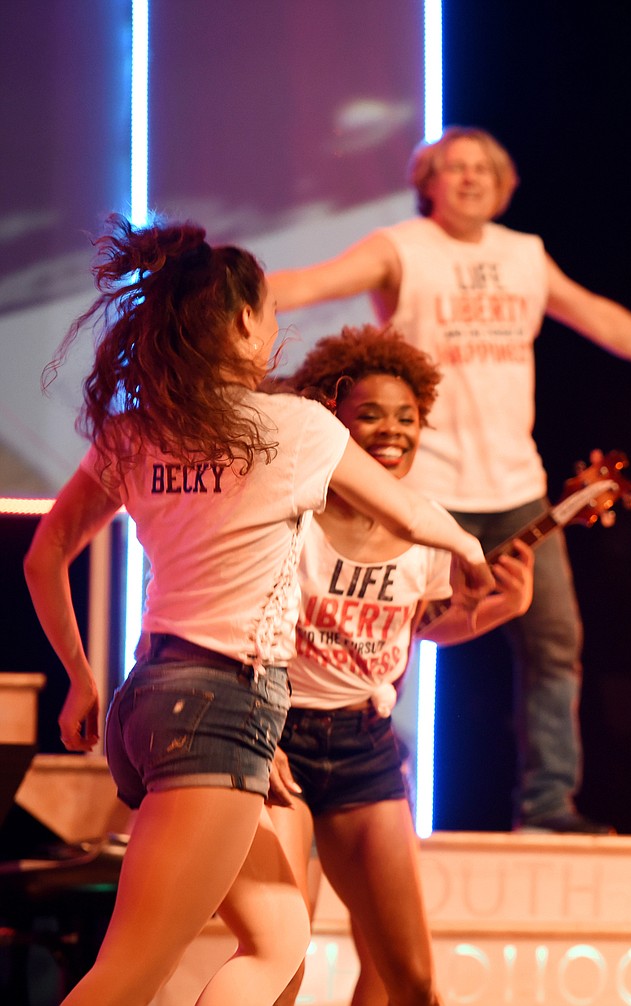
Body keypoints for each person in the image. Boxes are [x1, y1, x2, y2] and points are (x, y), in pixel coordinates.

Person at [23, 216, 492, 1006]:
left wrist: (78, 676)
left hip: (147, 700)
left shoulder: (138, 430)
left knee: (277, 941)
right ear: (241, 321)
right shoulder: (295, 428)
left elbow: (46, 556)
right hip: (219, 708)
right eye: (270, 312)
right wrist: (473, 551)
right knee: (128, 973)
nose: (277, 330)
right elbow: (410, 517)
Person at [268, 125, 631, 832]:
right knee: (388, 638)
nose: (471, 178)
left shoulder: (524, 255)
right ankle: (364, 795)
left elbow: (596, 315)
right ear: (428, 186)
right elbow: (312, 282)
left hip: (516, 489)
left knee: (554, 643)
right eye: (454, 168)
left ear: (506, 185)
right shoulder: (401, 248)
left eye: (484, 168)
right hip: (424, 494)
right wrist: (222, 298)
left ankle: (547, 806)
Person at [266, 324, 535, 1006]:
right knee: (280, 952)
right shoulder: (291, 513)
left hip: (365, 748)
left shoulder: (427, 527)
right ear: (332, 420)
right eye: (371, 415)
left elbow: (422, 630)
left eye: (408, 418)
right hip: (279, 740)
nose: (393, 431)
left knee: (406, 976)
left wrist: (502, 609)